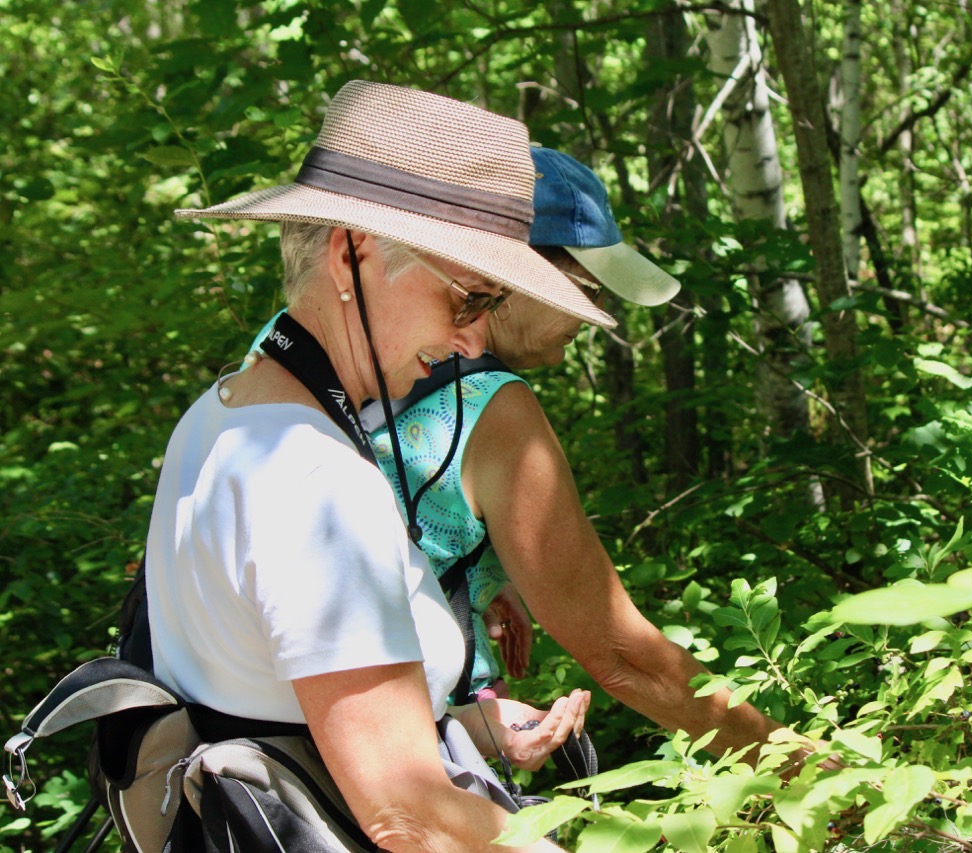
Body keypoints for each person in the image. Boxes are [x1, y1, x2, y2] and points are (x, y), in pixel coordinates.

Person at [151, 81, 603, 851]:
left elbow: (277, 701)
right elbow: (408, 815)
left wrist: (466, 722)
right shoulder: (310, 479)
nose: (470, 342)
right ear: (350, 254)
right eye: (465, 299)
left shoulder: (221, 418)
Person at [358, 146, 786, 759]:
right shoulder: (492, 406)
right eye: (589, 294)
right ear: (523, 272)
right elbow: (620, 657)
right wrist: (793, 760)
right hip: (408, 752)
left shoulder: (335, 349)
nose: (596, 317)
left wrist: (473, 573)